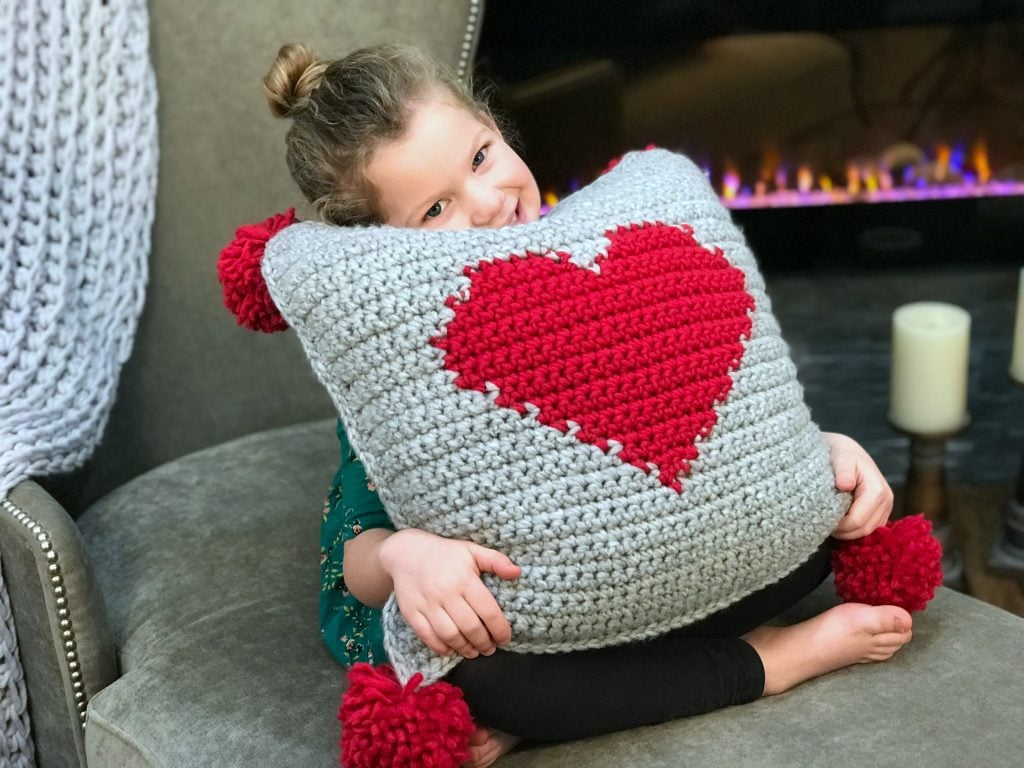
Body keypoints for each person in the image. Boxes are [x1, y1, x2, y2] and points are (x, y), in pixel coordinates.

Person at [263, 43, 913, 768]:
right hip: (521, 609)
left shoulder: (607, 240)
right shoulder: (403, 354)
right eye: (436, 208)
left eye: (480, 157)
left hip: (660, 563)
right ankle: (766, 663)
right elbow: (354, 547)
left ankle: (588, 703)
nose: (486, 204)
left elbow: (730, 417)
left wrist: (822, 456)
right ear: (379, 250)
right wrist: (407, 557)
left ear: (495, 123)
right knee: (481, 674)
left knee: (827, 521)